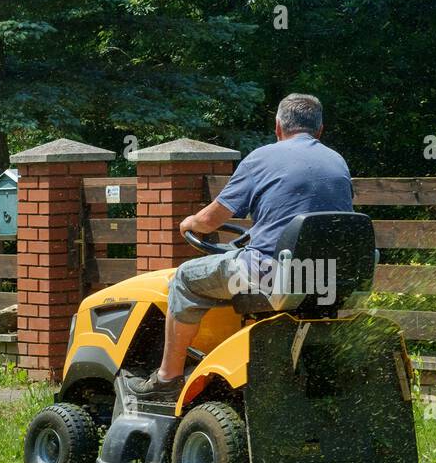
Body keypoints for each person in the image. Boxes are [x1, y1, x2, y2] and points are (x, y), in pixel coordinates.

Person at [124, 93, 354, 399]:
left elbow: (210, 221)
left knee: (184, 279)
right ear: (320, 130)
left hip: (269, 274)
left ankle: (168, 376)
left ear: (277, 127)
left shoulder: (262, 158)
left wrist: (190, 222)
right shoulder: (337, 161)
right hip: (327, 276)